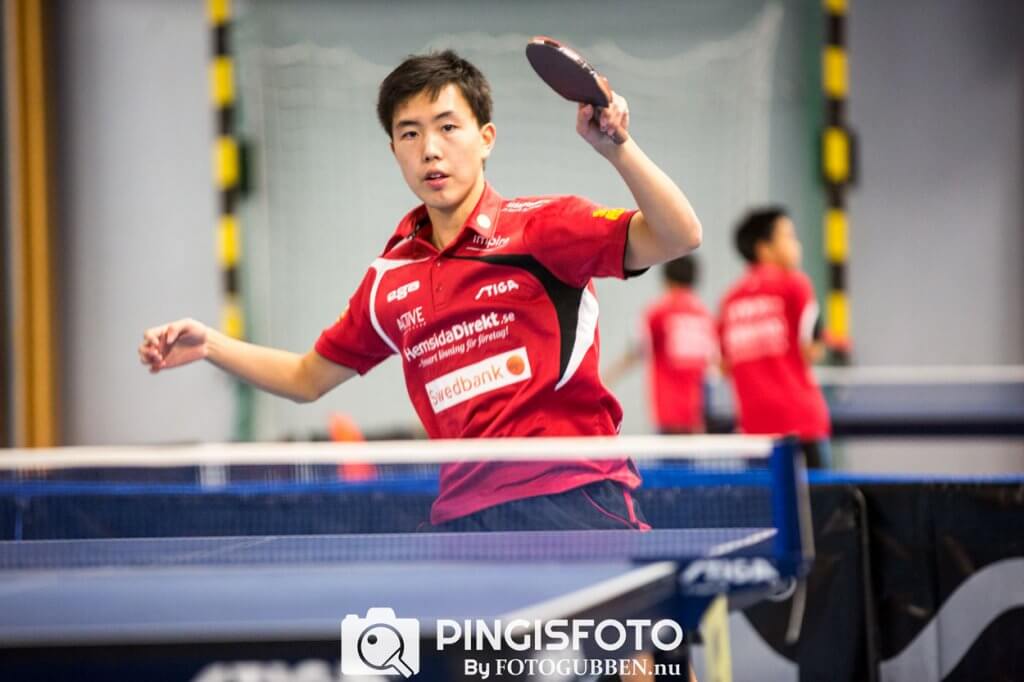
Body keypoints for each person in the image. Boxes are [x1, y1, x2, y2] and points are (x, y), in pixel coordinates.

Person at [138, 50, 702, 531]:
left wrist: (618, 149)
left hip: (573, 494)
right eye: (410, 133)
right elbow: (307, 378)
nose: (430, 149)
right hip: (464, 519)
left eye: (448, 127)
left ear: (486, 139)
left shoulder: (545, 228)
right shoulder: (389, 280)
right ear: (394, 150)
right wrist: (211, 345)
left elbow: (680, 235)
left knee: (629, 633)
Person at [717, 206, 831, 468]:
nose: (797, 245)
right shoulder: (795, 284)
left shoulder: (729, 300)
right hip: (803, 425)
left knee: (764, 496)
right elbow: (813, 349)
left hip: (755, 431)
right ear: (764, 248)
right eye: (789, 236)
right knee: (818, 495)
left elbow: (724, 365)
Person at [604, 255, 716, 434]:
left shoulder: (658, 312)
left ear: (667, 279)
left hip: (668, 413)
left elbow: (636, 351)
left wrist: (606, 378)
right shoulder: (705, 316)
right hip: (699, 415)